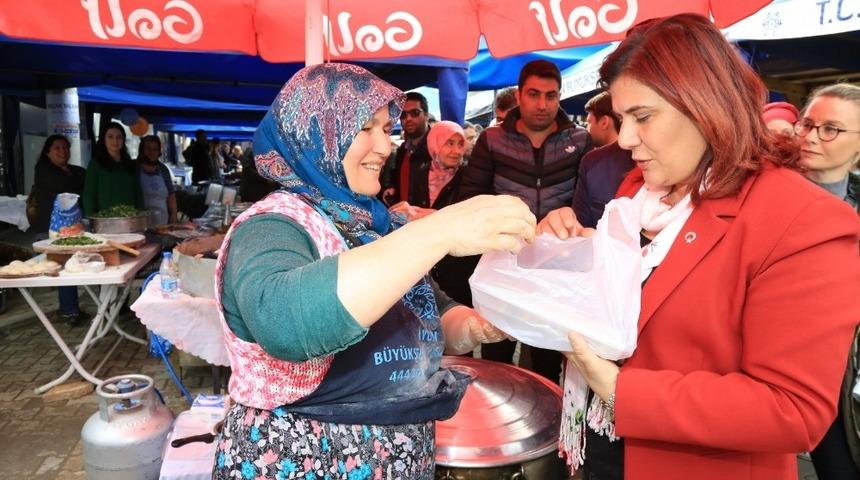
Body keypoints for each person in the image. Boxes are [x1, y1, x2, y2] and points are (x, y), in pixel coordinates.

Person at [536, 14, 860, 480]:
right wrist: (577, 249)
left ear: (707, 106)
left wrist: (622, 391)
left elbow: (794, 408)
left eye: (642, 117)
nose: (626, 140)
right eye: (622, 119)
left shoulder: (804, 221)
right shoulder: (638, 192)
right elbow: (644, 288)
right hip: (602, 448)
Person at [212, 63, 536, 479]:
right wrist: (438, 231)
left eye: (387, 129)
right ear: (317, 134)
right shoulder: (272, 226)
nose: (386, 146)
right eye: (367, 128)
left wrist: (474, 326)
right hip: (302, 461)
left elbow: (427, 310)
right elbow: (285, 323)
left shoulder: (375, 225)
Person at [457, 59, 592, 383]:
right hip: (503, 261)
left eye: (551, 95)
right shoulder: (492, 140)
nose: (542, 104)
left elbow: (585, 204)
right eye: (534, 94)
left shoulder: (580, 140)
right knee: (496, 350)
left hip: (556, 270)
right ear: (519, 95)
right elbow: (471, 197)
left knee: (548, 353)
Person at [796, 83, 860, 480]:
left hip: (846, 367)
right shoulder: (768, 192)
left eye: (830, 129)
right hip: (791, 365)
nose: (812, 138)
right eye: (808, 124)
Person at [388, 121, 472, 305]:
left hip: (456, 267)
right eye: (449, 143)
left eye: (460, 144)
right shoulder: (419, 172)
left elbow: (468, 219)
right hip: (425, 261)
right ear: (435, 143)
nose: (457, 151)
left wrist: (425, 215)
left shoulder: (469, 178)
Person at [30, 135, 86, 323]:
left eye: (65, 148)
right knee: (62, 267)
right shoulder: (44, 170)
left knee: (71, 265)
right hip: (50, 229)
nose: (63, 152)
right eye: (57, 148)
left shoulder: (72, 171)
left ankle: (71, 308)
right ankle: (69, 310)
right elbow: (68, 187)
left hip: (70, 229)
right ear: (48, 152)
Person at [572, 91, 635, 228]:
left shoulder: (592, 162)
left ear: (604, 122)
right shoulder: (591, 162)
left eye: (589, 122)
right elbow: (579, 228)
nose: (587, 128)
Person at [82, 122, 143, 215]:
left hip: (130, 219)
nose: (115, 141)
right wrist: (92, 220)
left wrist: (141, 214)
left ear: (123, 140)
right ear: (104, 139)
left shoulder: (130, 164)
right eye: (110, 136)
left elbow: (138, 193)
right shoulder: (95, 164)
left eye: (119, 137)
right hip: (105, 221)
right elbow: (89, 195)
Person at [384, 91, 431, 205]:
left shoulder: (437, 149)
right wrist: (393, 188)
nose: (408, 118)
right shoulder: (402, 151)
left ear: (426, 115)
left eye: (415, 113)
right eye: (403, 115)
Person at [137, 135, 177, 225]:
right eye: (148, 148)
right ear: (142, 150)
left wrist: (174, 214)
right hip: (140, 223)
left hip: (162, 222)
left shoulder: (163, 170)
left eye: (155, 149)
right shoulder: (135, 168)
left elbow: (171, 194)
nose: (152, 152)